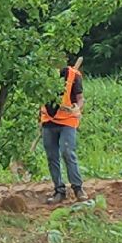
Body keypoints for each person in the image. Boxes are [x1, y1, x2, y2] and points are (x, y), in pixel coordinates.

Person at [41, 59, 85, 204]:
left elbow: (80, 99)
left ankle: (78, 188)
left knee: (67, 151)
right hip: (48, 119)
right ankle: (59, 190)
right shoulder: (42, 76)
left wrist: (77, 108)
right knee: (52, 156)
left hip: (68, 120)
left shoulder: (73, 75)